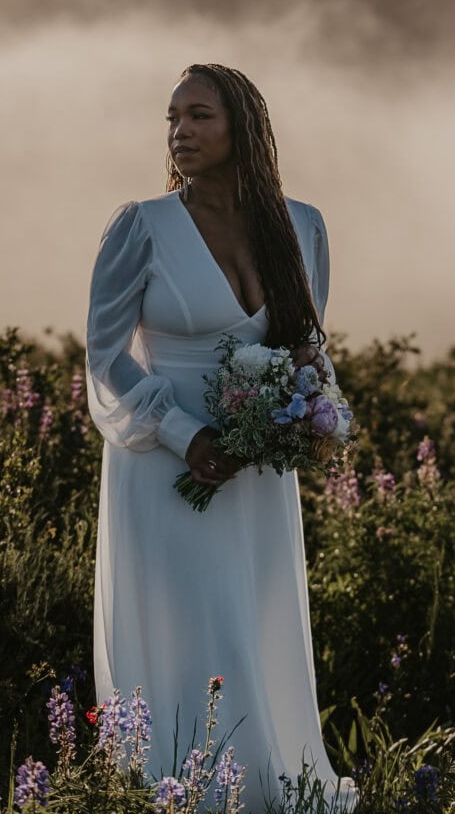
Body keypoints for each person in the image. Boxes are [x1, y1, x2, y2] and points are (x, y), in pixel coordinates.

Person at [85, 63, 357, 812]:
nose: (179, 131)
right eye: (171, 117)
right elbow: (103, 358)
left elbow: (307, 345)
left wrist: (308, 418)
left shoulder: (300, 225)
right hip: (163, 464)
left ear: (241, 126)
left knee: (252, 611)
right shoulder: (139, 226)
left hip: (257, 469)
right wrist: (184, 433)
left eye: (199, 115)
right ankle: (186, 791)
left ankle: (270, 783)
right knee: (189, 621)